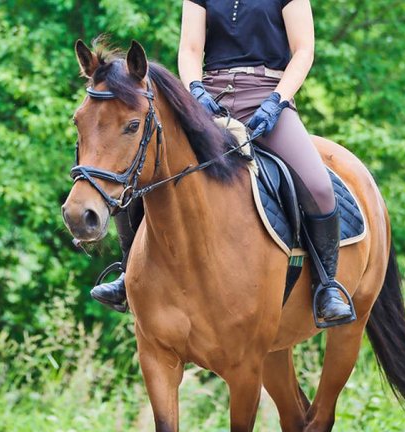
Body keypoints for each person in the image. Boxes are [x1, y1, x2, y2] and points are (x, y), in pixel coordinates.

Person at [90, 0, 354, 326]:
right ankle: (126, 271)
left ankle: (326, 287)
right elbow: (189, 49)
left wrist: (277, 101)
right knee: (146, 161)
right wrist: (196, 90)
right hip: (210, 98)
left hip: (267, 94)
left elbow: (303, 51)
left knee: (318, 186)